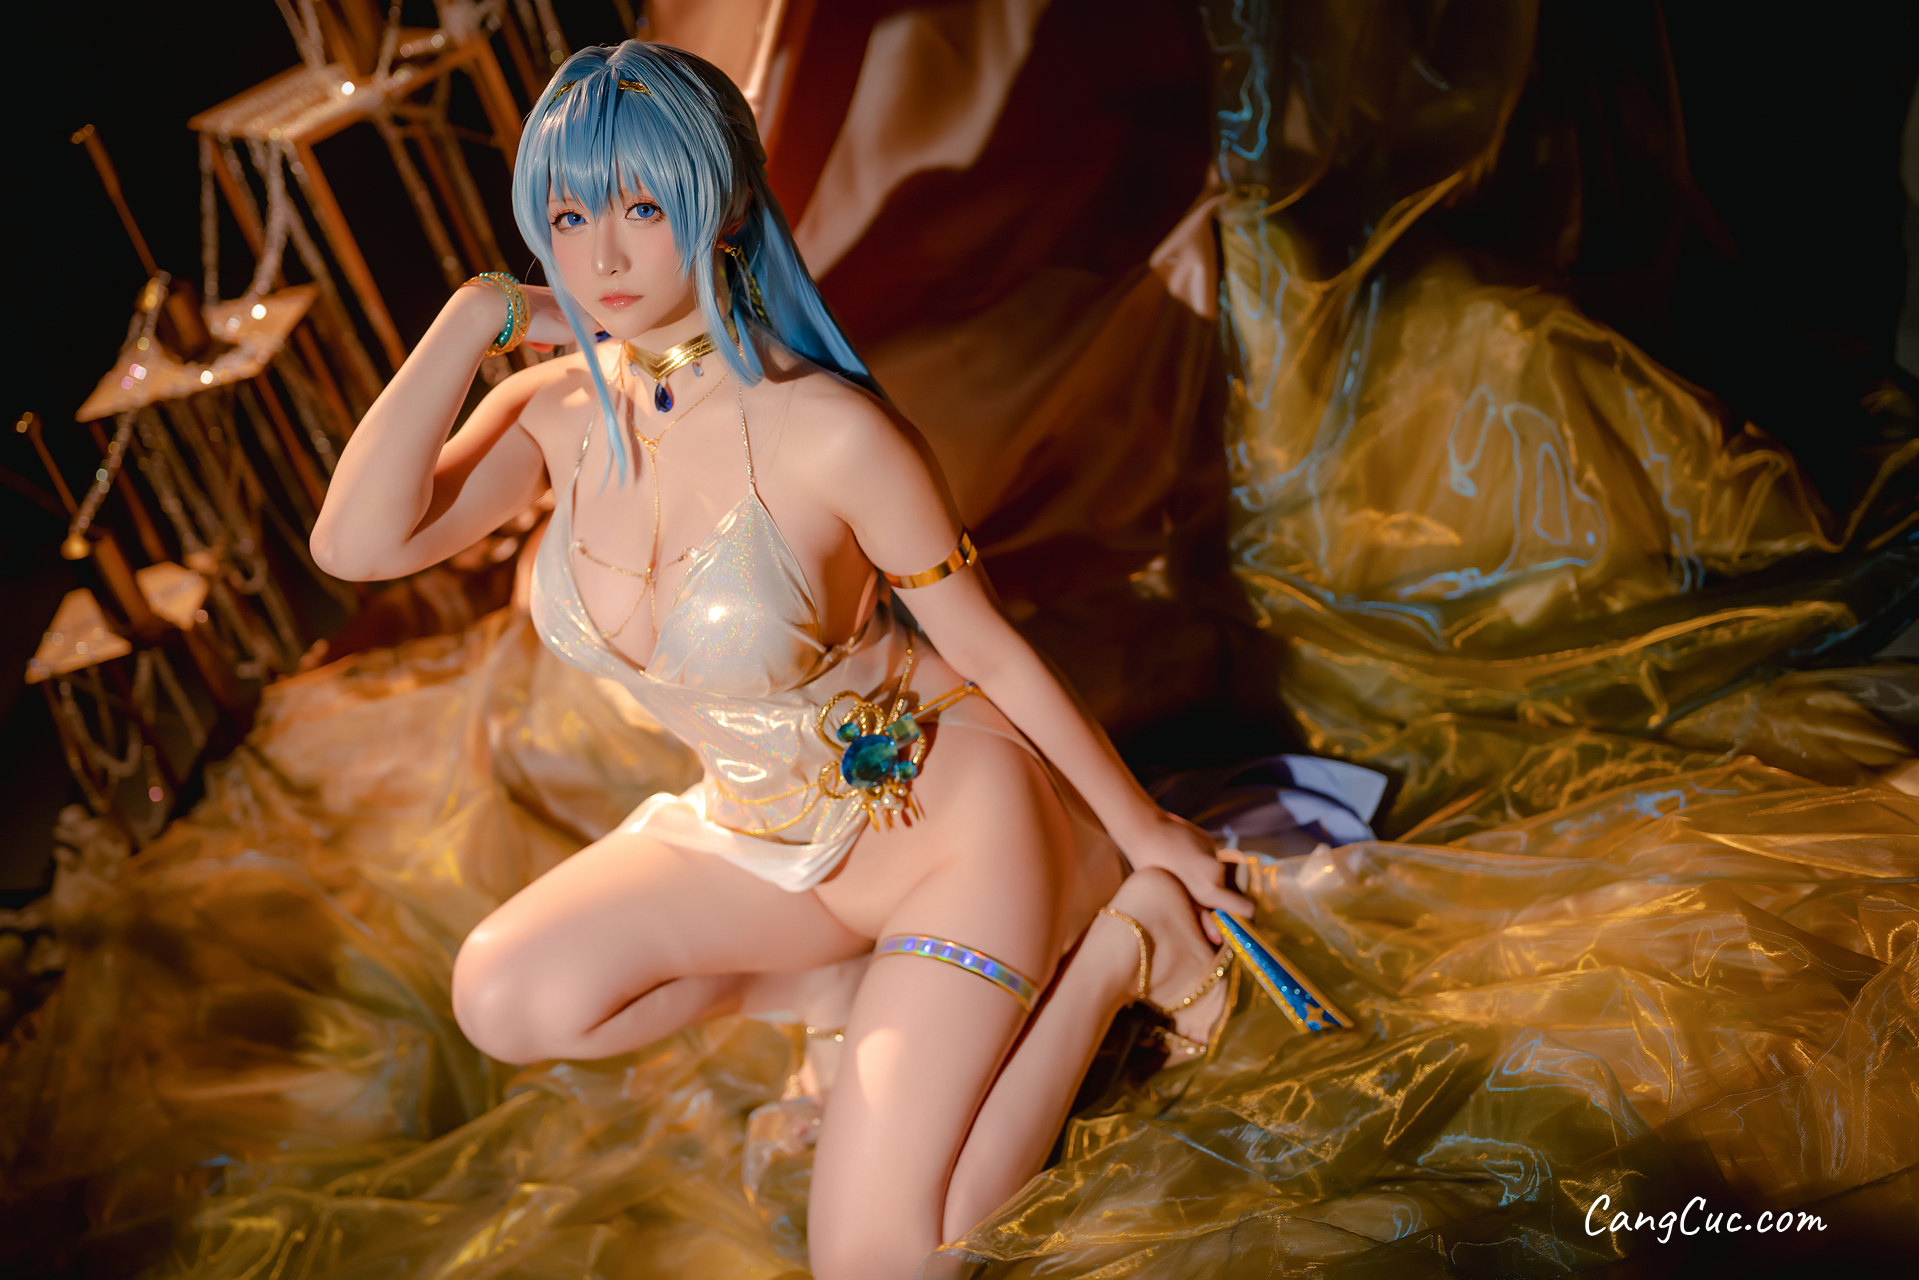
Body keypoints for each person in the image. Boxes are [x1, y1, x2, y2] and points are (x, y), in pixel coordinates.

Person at [310, 40, 1257, 1280]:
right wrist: (474, 317)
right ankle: (827, 990)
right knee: (505, 994)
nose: (602, 258)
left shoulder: (830, 431)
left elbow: (987, 646)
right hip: (757, 834)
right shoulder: (551, 416)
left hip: (944, 835)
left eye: (642, 209)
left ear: (723, 205)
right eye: (568, 217)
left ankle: (1121, 948)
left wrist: (1145, 835)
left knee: (884, 1264)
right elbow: (354, 544)